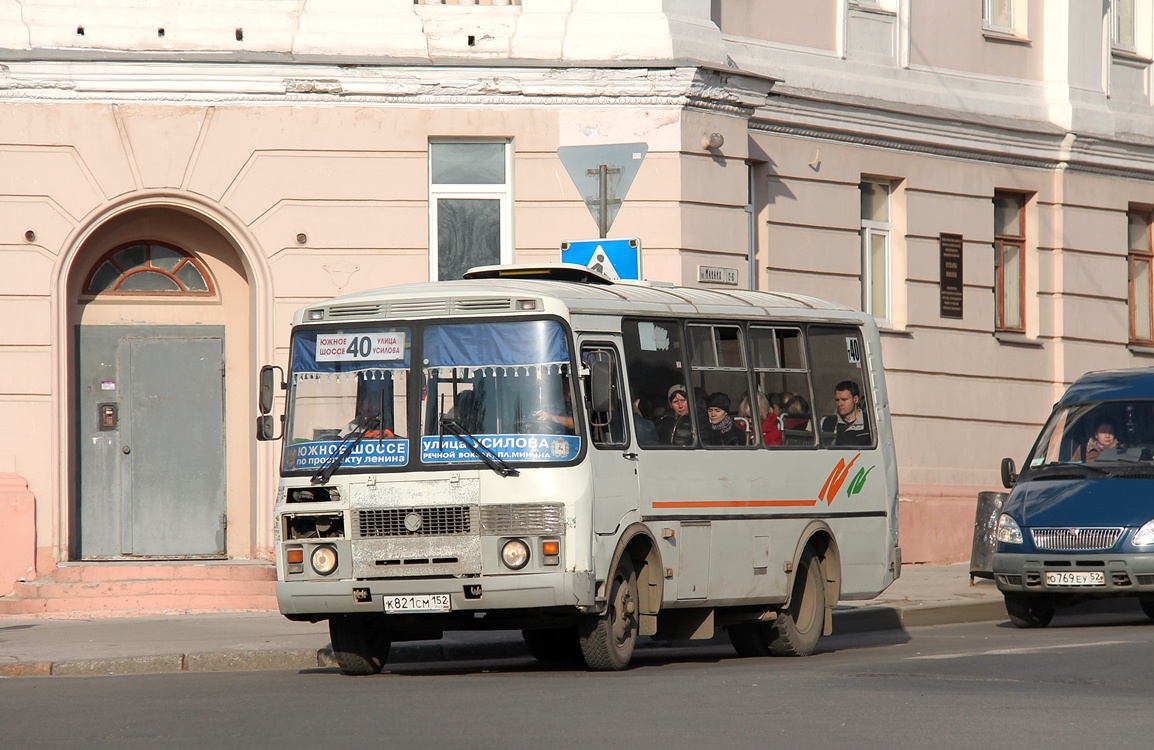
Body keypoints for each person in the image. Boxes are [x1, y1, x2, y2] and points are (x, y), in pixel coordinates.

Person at [831, 380, 872, 446]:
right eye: (837, 400)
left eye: (844, 400)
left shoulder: (870, 423)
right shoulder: (827, 423)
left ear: (855, 399)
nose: (839, 404)